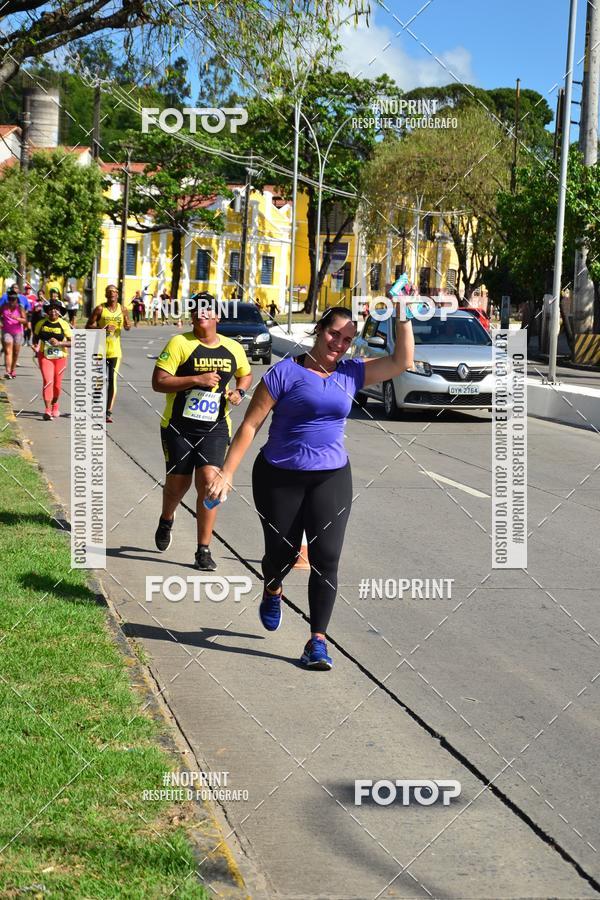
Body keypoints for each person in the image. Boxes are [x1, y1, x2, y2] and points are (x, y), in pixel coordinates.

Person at [206, 301, 415, 670]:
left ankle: (316, 641)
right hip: (278, 476)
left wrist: (402, 314)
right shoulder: (284, 373)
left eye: (348, 338)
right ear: (319, 330)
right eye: (335, 333)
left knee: (327, 559)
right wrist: (227, 472)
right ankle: (273, 588)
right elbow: (251, 426)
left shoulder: (351, 373)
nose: (340, 343)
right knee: (281, 555)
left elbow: (401, 361)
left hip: (331, 477)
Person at [151, 291, 253, 571]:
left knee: (211, 484)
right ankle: (167, 518)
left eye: (207, 309)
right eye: (195, 309)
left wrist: (240, 392)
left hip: (216, 428)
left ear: (217, 316)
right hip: (178, 426)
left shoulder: (233, 347)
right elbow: (158, 382)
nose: (201, 313)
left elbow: (246, 373)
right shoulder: (180, 343)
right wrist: (197, 379)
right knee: (177, 486)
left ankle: (203, 550)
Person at [85, 285, 131, 424]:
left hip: (115, 351)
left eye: (114, 291)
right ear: (106, 294)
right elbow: (88, 326)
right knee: (99, 381)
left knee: (112, 380)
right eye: (109, 292)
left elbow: (127, 326)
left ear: (118, 295)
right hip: (99, 350)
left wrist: (128, 325)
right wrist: (101, 328)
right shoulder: (100, 309)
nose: (112, 294)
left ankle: (108, 412)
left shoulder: (123, 309)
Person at [33, 299, 72, 419]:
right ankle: (47, 410)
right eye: (51, 309)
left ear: (59, 311)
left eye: (56, 309)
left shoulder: (64, 324)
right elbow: (35, 339)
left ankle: (55, 404)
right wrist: (35, 346)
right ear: (47, 311)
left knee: (57, 385)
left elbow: (73, 342)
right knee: (48, 381)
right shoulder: (41, 323)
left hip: (60, 358)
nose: (53, 311)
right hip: (45, 356)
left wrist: (59, 343)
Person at [1, 289, 27, 378]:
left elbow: (25, 320)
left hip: (17, 332)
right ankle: (8, 372)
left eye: (13, 300)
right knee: (8, 351)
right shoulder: (4, 306)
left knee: (15, 352)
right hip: (6, 331)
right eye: (10, 299)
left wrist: (17, 318)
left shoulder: (20, 308)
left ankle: (13, 370)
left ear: (16, 300)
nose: (11, 301)